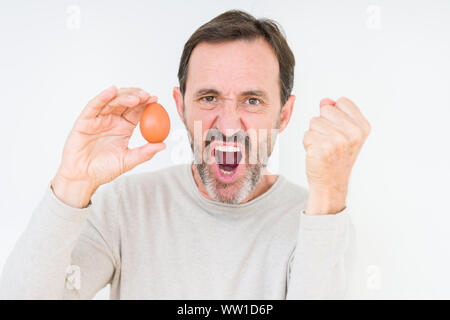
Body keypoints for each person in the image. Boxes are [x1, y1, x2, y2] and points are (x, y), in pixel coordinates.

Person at [0, 9, 370, 299]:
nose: (228, 126)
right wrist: (71, 184)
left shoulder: (319, 220)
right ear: (180, 107)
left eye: (252, 100)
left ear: (284, 114)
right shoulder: (125, 206)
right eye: (209, 98)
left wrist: (329, 195)